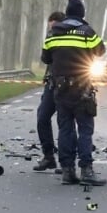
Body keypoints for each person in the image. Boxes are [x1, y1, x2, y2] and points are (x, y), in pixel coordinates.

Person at [44, 0, 106, 186]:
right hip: (82, 88)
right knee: (85, 129)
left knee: (65, 129)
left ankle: (67, 171)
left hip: (60, 89)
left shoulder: (53, 33)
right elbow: (100, 51)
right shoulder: (87, 32)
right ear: (82, 14)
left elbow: (46, 58)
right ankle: (86, 170)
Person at [32, 11, 67, 171]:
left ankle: (65, 160)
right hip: (51, 83)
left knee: (64, 122)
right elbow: (45, 58)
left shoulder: (70, 38)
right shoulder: (51, 36)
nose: (52, 29)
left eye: (54, 25)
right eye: (51, 27)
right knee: (42, 117)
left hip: (66, 85)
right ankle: (48, 156)